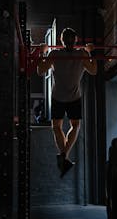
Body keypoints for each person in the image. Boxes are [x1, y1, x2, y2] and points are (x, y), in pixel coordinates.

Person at [37, 27, 97, 177]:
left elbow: (40, 70)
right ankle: (64, 156)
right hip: (73, 98)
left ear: (61, 41)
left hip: (58, 97)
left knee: (56, 127)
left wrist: (42, 52)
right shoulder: (82, 54)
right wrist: (90, 51)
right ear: (75, 40)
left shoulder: (54, 54)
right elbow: (94, 70)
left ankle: (63, 155)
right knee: (75, 126)